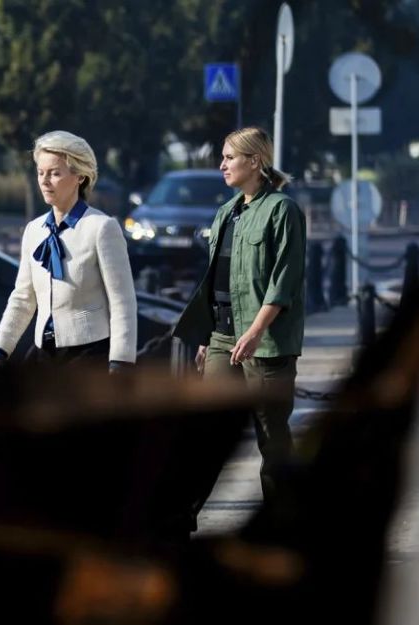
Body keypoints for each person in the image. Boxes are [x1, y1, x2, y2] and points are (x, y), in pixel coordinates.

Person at [173, 126, 306, 527]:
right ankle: (179, 519)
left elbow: (284, 283)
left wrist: (254, 332)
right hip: (222, 338)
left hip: (265, 343)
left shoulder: (282, 210)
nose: (222, 165)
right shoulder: (227, 211)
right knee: (206, 432)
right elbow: (217, 279)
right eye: (223, 157)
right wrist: (208, 336)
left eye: (230, 157)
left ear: (255, 161)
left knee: (272, 436)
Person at [0, 130, 137, 371]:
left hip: (90, 355)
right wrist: (0, 347)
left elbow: (122, 301)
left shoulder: (102, 227)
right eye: (40, 173)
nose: (45, 181)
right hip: (43, 355)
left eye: (55, 173)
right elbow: (23, 297)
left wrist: (120, 361)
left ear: (79, 177)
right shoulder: (34, 230)